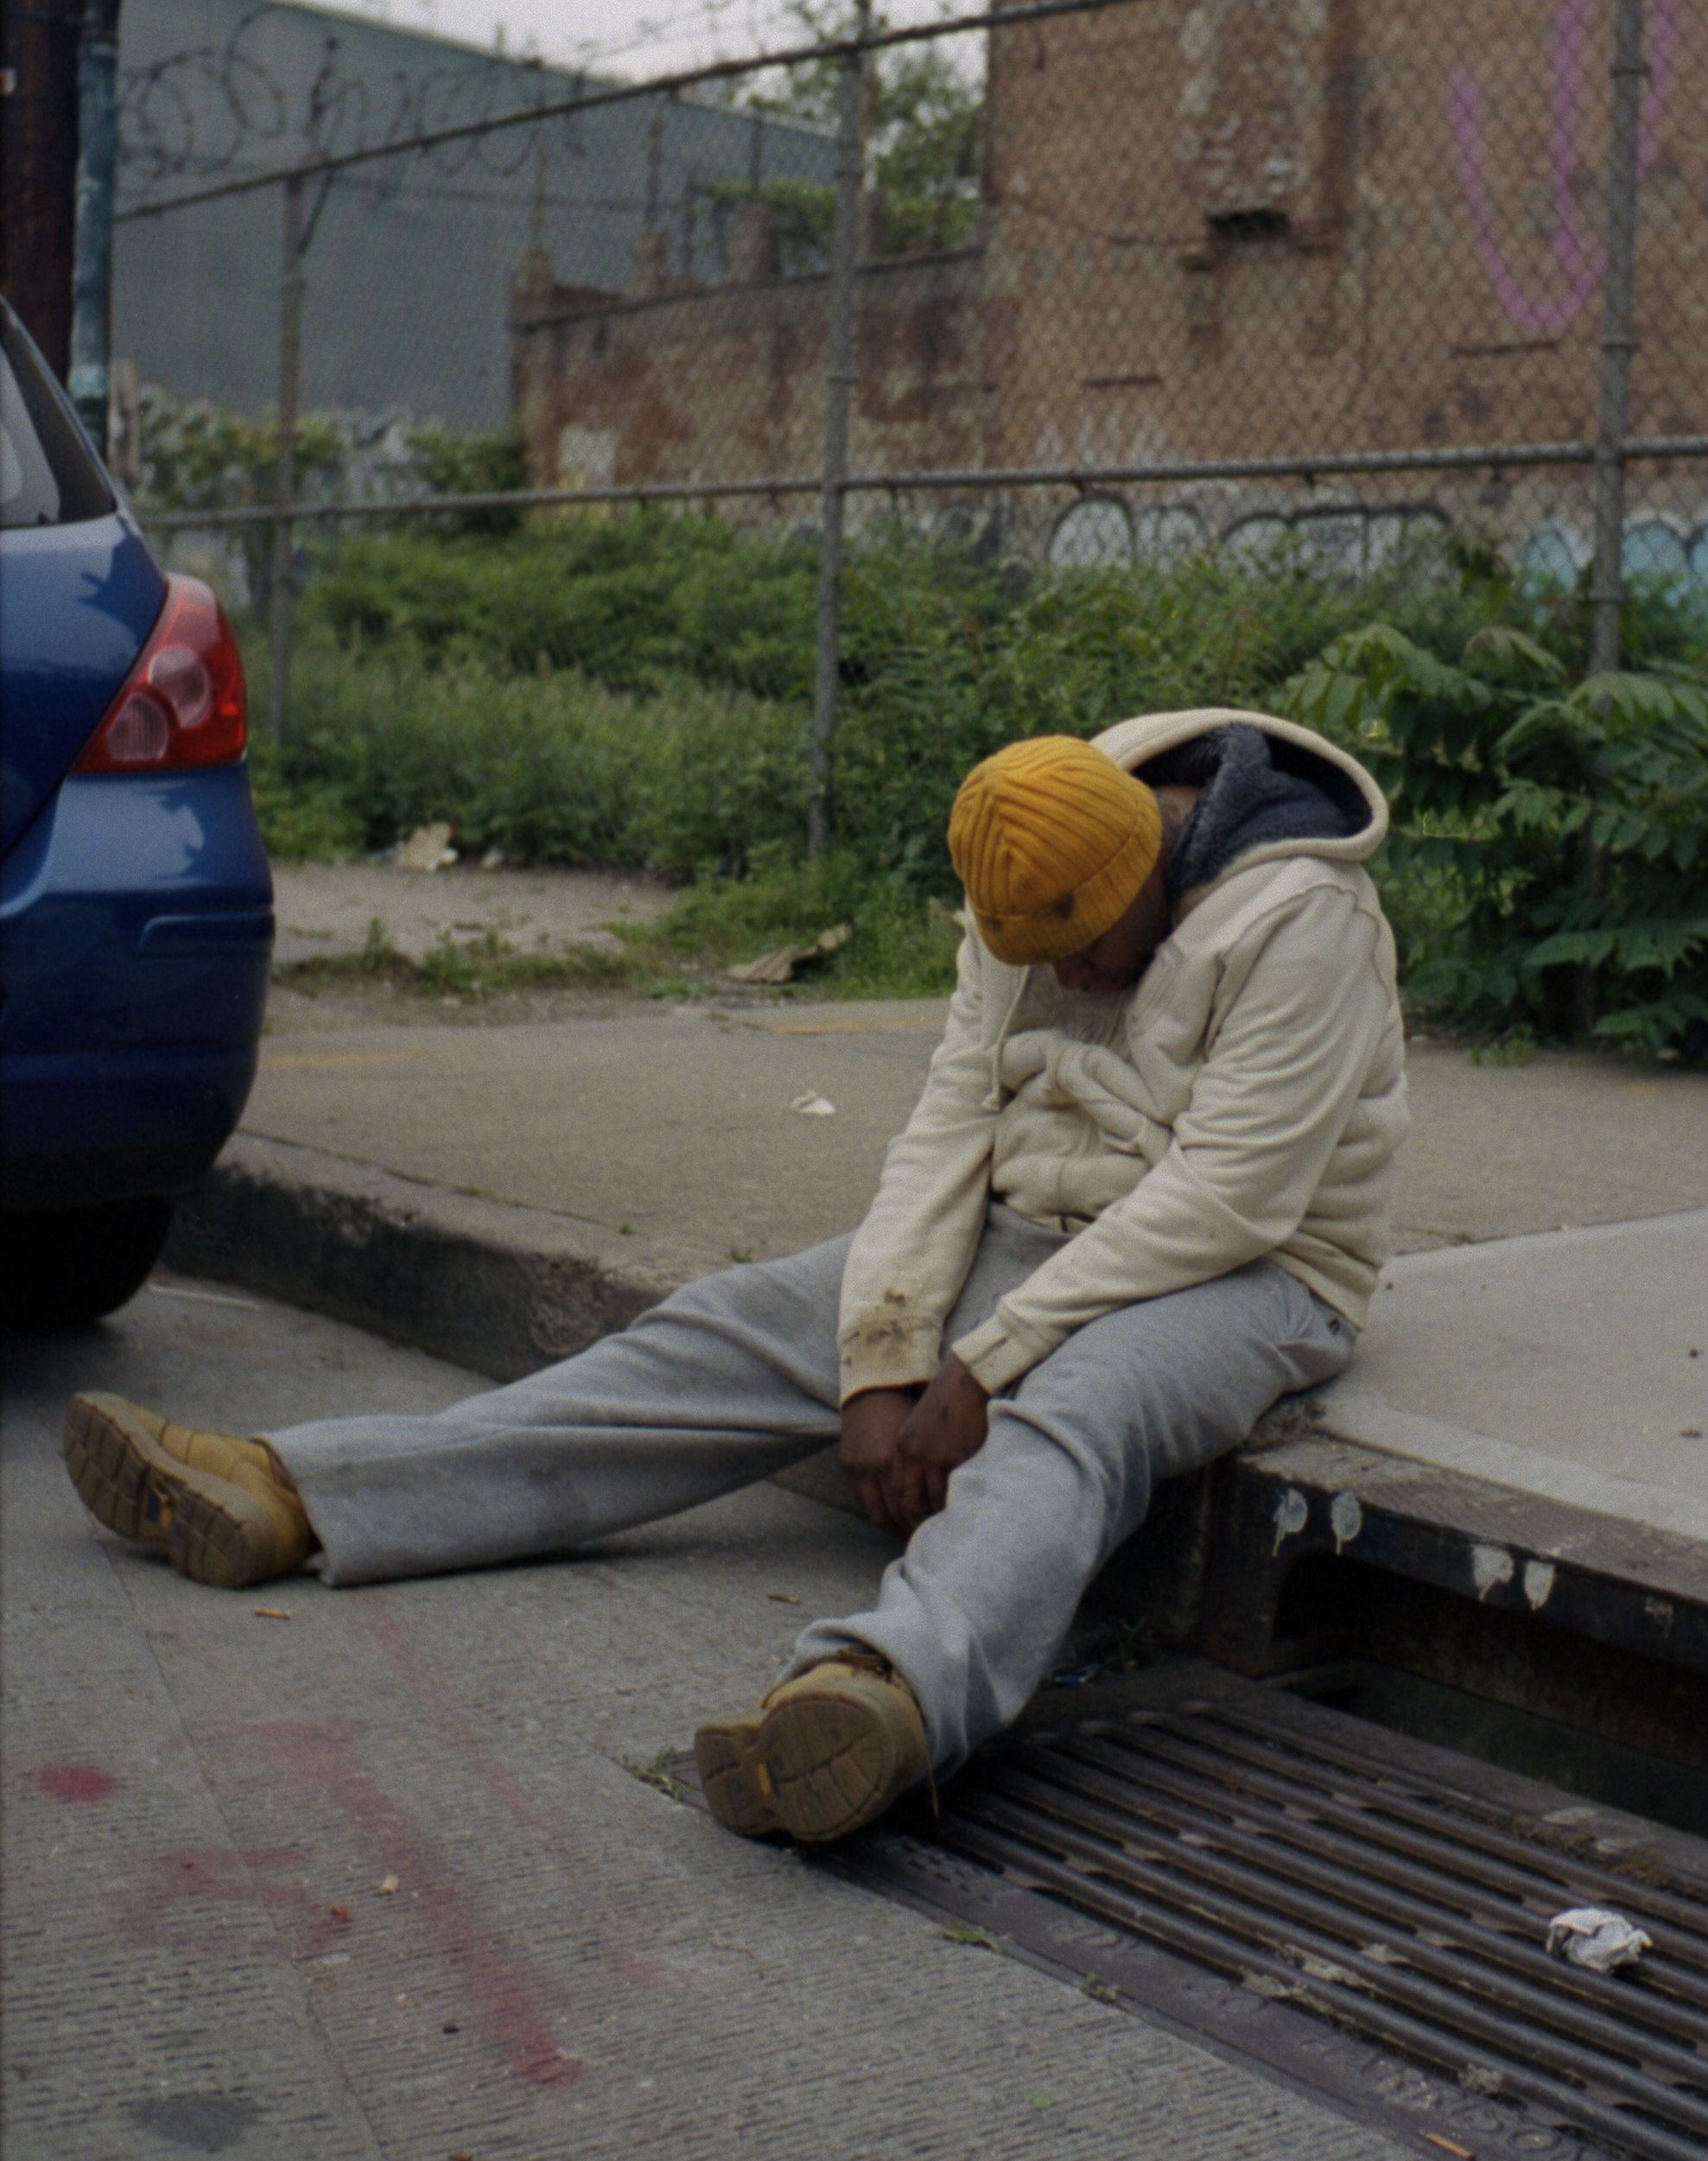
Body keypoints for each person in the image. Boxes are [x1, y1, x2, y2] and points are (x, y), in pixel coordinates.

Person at [64, 707, 1406, 1843]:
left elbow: (1229, 1196)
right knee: (728, 1324)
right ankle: (305, 1493)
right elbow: (949, 1130)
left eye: (1087, 951)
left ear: (1151, 868)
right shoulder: (1029, 864)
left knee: (1074, 1412)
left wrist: (986, 1363)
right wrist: (882, 1357)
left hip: (1252, 1274)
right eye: (1036, 957)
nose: (1062, 975)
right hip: (1043, 1236)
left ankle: (881, 1698)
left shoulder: (1306, 918)